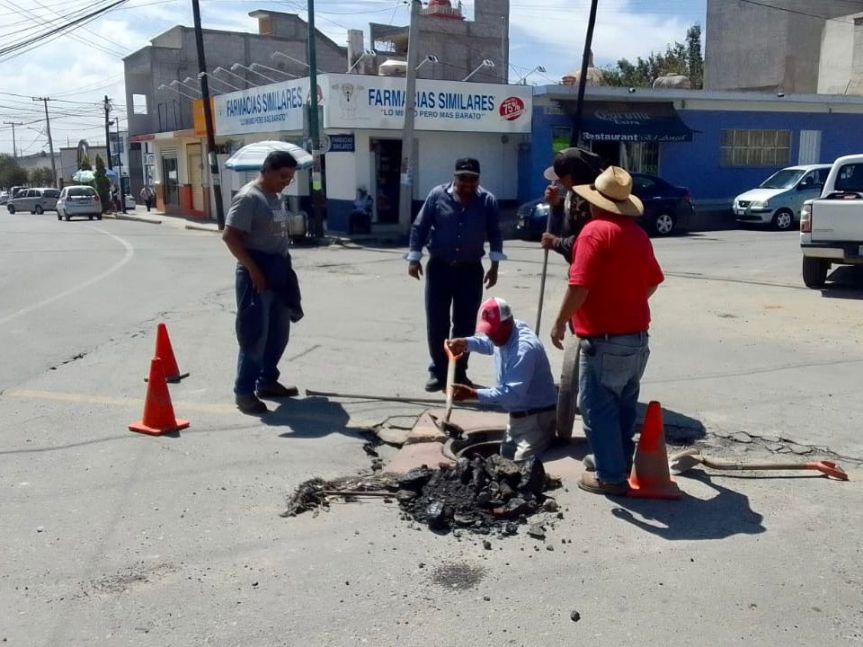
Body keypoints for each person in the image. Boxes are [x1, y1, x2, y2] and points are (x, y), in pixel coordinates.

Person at [549, 166, 664, 496]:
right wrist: (626, 301)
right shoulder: (637, 234)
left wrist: (559, 322)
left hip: (604, 340)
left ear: (595, 202)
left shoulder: (593, 232)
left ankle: (610, 476)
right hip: (637, 340)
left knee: (598, 410)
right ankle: (617, 461)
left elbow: (579, 286)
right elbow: (653, 281)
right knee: (623, 408)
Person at [408, 157, 505, 392]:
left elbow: (495, 233)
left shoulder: (487, 201)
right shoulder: (437, 196)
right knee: (437, 322)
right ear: (455, 177)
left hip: (470, 271)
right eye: (463, 179)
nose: (468, 184)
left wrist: (494, 266)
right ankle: (439, 372)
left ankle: (459, 373)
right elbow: (420, 226)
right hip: (439, 267)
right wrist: (414, 258)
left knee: (465, 324)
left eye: (473, 180)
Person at [222, 151, 303, 415]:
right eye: (283, 176)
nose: (286, 182)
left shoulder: (276, 196)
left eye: (290, 178)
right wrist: (253, 269)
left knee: (279, 332)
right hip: (255, 275)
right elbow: (230, 237)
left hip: (278, 272)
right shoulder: (249, 197)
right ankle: (244, 393)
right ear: (267, 170)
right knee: (255, 335)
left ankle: (267, 381)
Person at [448, 297, 557, 461]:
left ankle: (546, 440)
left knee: (522, 463)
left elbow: (512, 394)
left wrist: (474, 394)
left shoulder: (523, 350)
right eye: (488, 332)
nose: (490, 336)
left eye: (493, 332)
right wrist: (466, 343)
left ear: (508, 323)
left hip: (537, 420)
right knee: (504, 456)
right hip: (517, 417)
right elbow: (489, 344)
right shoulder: (506, 333)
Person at [540, 147, 602, 263]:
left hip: (592, 267)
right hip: (577, 265)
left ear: (574, 175)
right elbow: (570, 216)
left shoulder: (594, 199)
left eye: (562, 177)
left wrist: (555, 242)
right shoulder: (575, 191)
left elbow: (585, 240)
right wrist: (558, 203)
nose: (559, 181)